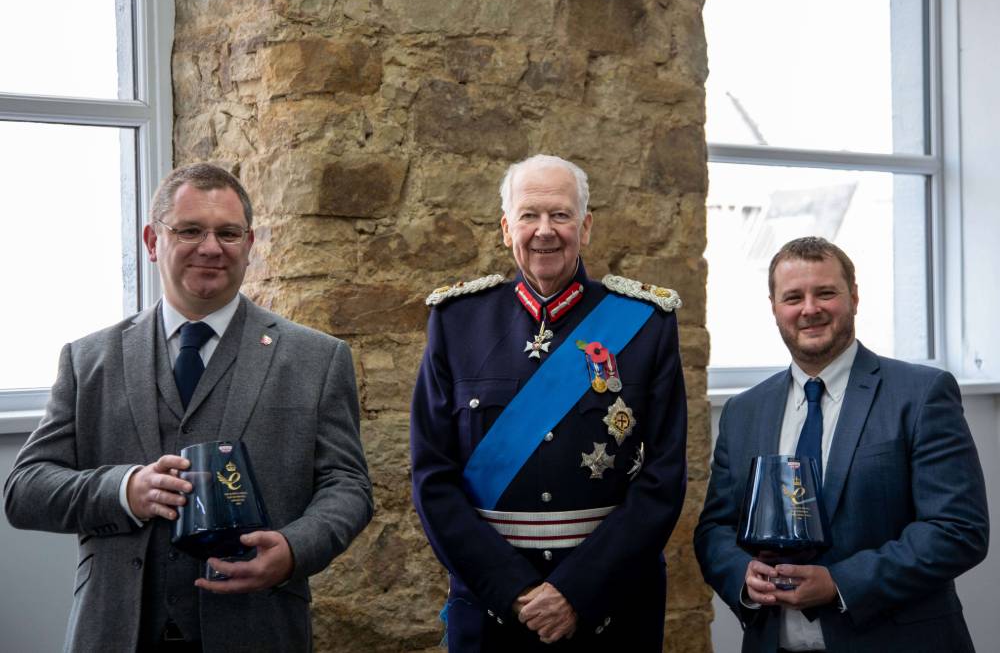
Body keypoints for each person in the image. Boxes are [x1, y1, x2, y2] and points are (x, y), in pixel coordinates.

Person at [4, 163, 373, 652]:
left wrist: (293, 549)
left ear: (249, 243)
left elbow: (347, 486)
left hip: (258, 629)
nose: (211, 247)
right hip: (115, 632)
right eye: (191, 230)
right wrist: (123, 489)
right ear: (153, 240)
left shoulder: (316, 359)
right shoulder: (88, 359)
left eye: (227, 233)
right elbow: (23, 490)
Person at [410, 154, 688, 651]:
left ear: (586, 226)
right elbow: (432, 476)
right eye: (529, 215)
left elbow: (663, 478)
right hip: (493, 610)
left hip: (610, 607)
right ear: (505, 228)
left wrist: (576, 592)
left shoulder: (646, 324)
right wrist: (512, 589)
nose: (544, 231)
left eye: (560, 215)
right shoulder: (456, 323)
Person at [694, 236, 989, 653]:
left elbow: (958, 530)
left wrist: (839, 584)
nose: (809, 309)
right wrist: (742, 573)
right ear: (775, 308)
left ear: (853, 296)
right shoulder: (744, 411)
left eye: (825, 293)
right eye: (793, 297)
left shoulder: (921, 394)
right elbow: (715, 529)